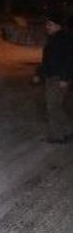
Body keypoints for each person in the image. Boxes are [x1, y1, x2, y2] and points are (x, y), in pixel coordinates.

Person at [32, 13, 73, 143]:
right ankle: (68, 130)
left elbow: (70, 60)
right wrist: (39, 73)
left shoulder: (66, 39)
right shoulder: (53, 38)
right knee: (56, 106)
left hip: (58, 78)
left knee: (53, 107)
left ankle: (57, 136)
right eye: (47, 24)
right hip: (51, 76)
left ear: (57, 26)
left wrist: (64, 78)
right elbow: (47, 60)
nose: (47, 26)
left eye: (49, 24)